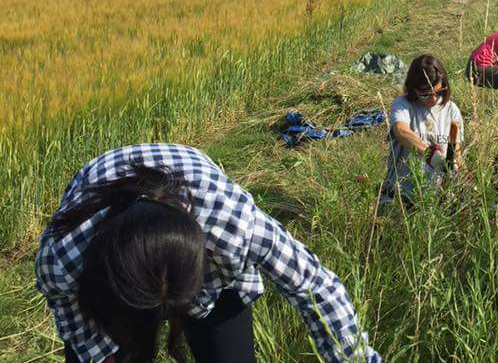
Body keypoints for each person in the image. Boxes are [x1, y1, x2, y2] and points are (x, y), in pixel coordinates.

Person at [36, 143, 381, 363]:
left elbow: (316, 287)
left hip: (202, 213)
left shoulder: (235, 226)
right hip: (110, 271)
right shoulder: (64, 258)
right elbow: (74, 320)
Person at [380, 54, 464, 206]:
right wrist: (431, 156)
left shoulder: (452, 110)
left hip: (436, 202)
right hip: (400, 197)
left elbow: (456, 152)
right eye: (425, 94)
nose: (433, 99)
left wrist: (458, 170)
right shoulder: (403, 105)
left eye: (438, 91)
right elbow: (401, 132)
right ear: (413, 89)